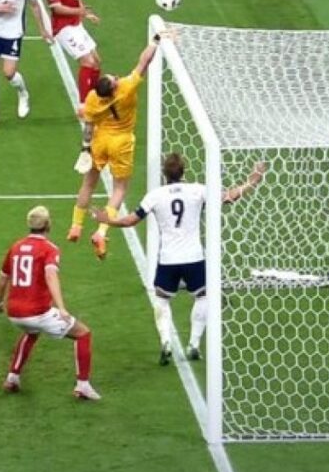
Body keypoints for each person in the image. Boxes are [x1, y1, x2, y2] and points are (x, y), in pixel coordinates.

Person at [92, 153, 266, 364]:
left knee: (162, 299)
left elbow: (130, 221)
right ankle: (194, 344)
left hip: (168, 259)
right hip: (194, 257)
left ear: (164, 173)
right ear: (183, 171)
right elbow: (229, 197)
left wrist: (108, 221)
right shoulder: (197, 190)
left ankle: (166, 341)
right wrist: (252, 181)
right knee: (203, 296)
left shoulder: (155, 195)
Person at [0, 206, 100, 400]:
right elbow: (50, 275)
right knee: (83, 333)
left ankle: (12, 378)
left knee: (31, 332)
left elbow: (2, 278)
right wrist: (62, 308)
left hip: (14, 313)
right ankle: (83, 385)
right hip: (37, 312)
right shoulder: (49, 248)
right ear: (48, 225)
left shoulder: (15, 247)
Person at [69, 32, 164, 260]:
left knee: (88, 184)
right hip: (121, 142)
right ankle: (101, 232)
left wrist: (85, 148)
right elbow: (143, 62)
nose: (115, 76)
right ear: (113, 88)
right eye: (113, 78)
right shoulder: (126, 88)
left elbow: (88, 125)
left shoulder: (93, 99)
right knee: (119, 189)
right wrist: (155, 41)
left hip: (100, 141)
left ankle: (76, 226)